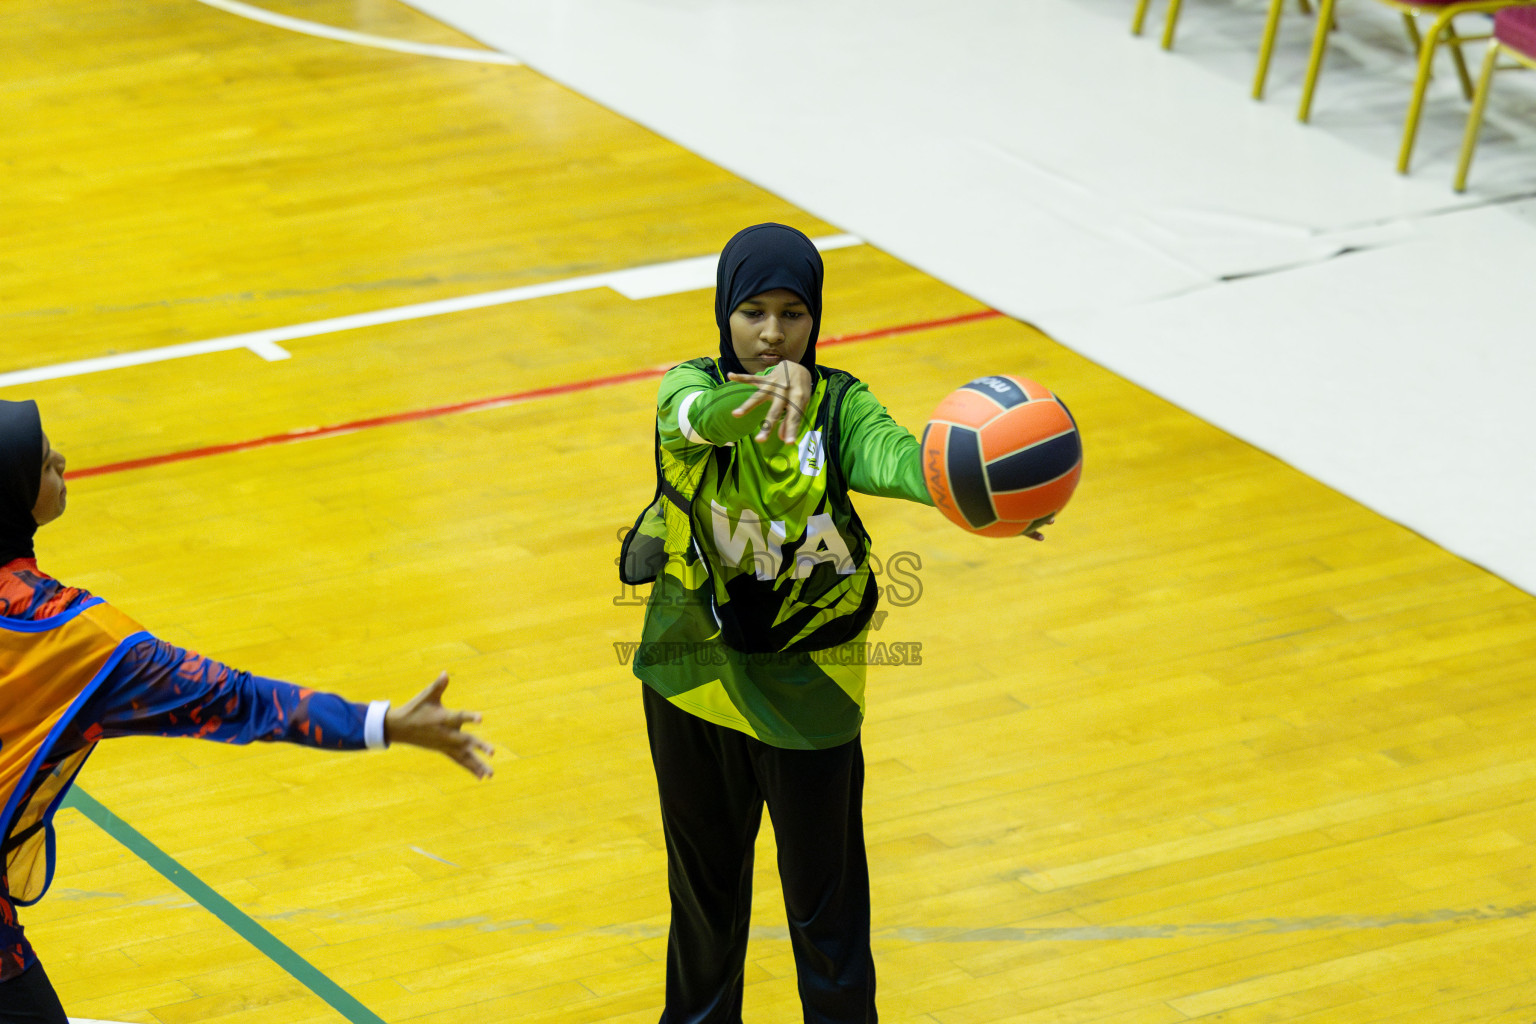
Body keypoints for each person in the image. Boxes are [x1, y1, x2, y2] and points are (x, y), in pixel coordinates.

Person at [624, 223, 1051, 1023]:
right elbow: (698, 420)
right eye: (753, 311)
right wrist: (748, 405)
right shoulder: (685, 389)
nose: (774, 333)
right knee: (705, 910)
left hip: (809, 695)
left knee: (829, 922)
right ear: (725, 312)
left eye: (793, 312)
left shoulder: (840, 407)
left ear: (816, 317)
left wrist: (977, 489)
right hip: (689, 682)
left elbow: (897, 457)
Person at [0, 399, 493, 1022]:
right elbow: (235, 701)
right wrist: (383, 722)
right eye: (46, 463)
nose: (63, 460)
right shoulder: (67, 640)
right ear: (14, 496)